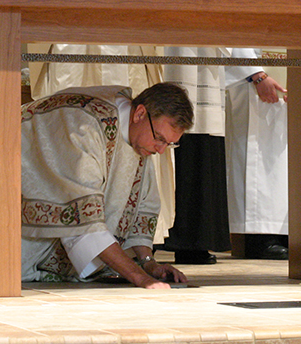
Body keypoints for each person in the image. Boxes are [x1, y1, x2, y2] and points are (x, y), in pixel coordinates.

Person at [29, 0, 177, 240]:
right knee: (75, 143)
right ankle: (71, 232)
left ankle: (130, 235)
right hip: (76, 58)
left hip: (130, 58)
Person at [135, 0, 253, 264]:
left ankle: (193, 240)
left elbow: (235, 4)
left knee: (197, 144)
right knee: (153, 144)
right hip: (159, 55)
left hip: (201, 60)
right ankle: (145, 237)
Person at [21, 82, 194, 288]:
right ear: (139, 113)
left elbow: (142, 203)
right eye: (160, 139)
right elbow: (84, 218)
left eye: (170, 144)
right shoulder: (84, 125)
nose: (161, 150)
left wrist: (148, 264)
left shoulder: (138, 134)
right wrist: (139, 277)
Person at [225, 0, 294, 260]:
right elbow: (229, 30)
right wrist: (256, 73)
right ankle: (252, 236)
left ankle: (281, 232)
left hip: (285, 83)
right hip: (247, 82)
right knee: (249, 159)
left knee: (281, 162)